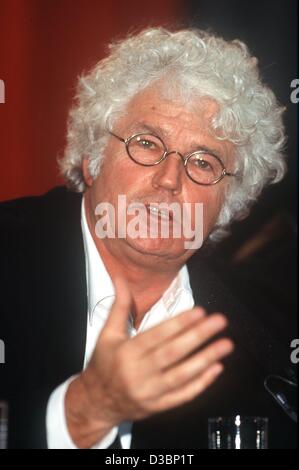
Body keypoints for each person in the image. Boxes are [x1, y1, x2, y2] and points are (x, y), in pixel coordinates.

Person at [0, 27, 296, 449]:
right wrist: (84, 412)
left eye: (204, 163)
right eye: (147, 143)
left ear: (230, 201)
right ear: (92, 159)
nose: (169, 179)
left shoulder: (267, 342)